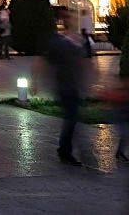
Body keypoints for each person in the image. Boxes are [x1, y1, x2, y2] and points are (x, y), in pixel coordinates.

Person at [33, 8, 88, 165]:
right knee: (71, 117)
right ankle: (65, 151)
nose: (74, 21)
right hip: (64, 84)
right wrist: (35, 81)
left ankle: (65, 149)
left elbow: (86, 61)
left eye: (75, 18)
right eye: (70, 18)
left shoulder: (80, 40)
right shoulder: (57, 41)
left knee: (72, 118)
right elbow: (42, 59)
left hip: (76, 84)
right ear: (64, 22)